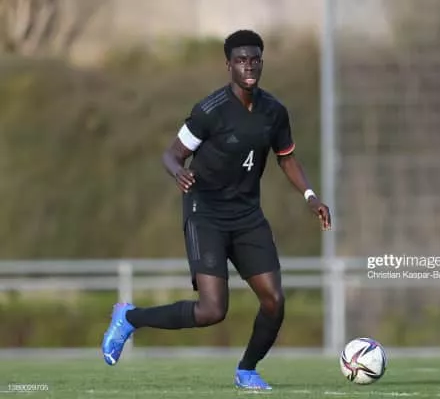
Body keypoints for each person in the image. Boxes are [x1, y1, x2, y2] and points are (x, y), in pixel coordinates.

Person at [101, 29, 332, 391]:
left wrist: (311, 197)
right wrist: (178, 172)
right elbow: (172, 154)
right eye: (240, 60)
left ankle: (247, 370)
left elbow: (286, 158)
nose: (248, 66)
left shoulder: (274, 112)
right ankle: (129, 318)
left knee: (274, 301)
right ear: (229, 66)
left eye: (254, 59)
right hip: (205, 212)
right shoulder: (210, 111)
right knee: (212, 310)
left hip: (247, 215)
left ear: (261, 62)